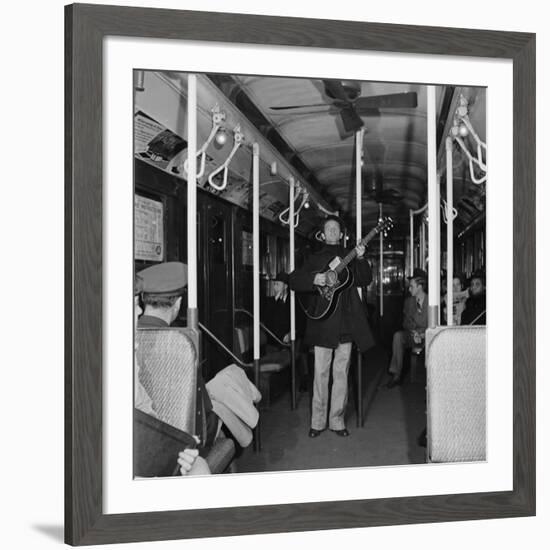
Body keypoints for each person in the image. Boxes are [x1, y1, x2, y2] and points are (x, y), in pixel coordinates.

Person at [289, 216, 374, 438]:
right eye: (329, 229)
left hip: (346, 324)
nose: (333, 232)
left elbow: (365, 279)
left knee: (341, 375)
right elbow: (294, 280)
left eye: (336, 228)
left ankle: (337, 421)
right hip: (322, 323)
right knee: (320, 374)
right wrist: (315, 279)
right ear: (323, 234)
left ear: (341, 233)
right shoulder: (314, 258)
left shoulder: (351, 256)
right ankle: (317, 422)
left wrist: (363, 258)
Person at [137, 261, 218, 459]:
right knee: (226, 390)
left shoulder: (130, 335)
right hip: (181, 439)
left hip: (142, 435)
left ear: (142, 301)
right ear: (179, 304)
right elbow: (203, 411)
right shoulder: (181, 347)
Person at [386, 268, 428, 388]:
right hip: (412, 334)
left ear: (420, 286)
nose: (409, 289)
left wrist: (422, 335)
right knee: (398, 336)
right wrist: (414, 331)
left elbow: (433, 324)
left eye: (412, 286)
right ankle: (396, 375)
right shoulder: (409, 302)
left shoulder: (431, 301)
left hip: (426, 336)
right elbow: (405, 322)